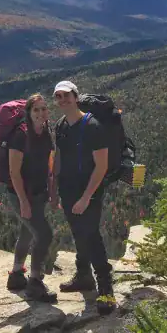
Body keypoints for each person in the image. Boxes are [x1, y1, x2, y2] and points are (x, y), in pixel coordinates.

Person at [52, 80, 116, 315]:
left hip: (90, 189)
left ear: (76, 97)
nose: (63, 100)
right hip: (68, 190)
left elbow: (101, 166)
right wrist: (54, 189)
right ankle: (84, 276)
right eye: (58, 96)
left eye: (67, 95)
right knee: (79, 232)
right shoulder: (60, 126)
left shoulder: (92, 126)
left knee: (90, 234)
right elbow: (58, 158)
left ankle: (106, 287)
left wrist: (87, 197)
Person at [5, 93, 57, 302]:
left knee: (27, 232)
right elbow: (13, 172)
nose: (41, 113)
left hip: (39, 193)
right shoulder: (20, 135)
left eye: (44, 109)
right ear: (28, 112)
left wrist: (53, 193)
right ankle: (35, 282)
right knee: (44, 235)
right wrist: (23, 202)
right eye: (36, 109)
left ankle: (17, 276)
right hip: (20, 195)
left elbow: (50, 165)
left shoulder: (45, 132)